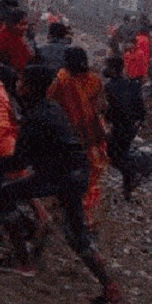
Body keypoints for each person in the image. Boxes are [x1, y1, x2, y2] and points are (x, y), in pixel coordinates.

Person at [0, 64, 129, 304]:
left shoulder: (36, 117)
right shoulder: (50, 109)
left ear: (29, 87)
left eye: (22, 82)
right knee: (76, 233)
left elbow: (19, 161)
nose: (17, 86)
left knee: (4, 195)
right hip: (73, 173)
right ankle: (111, 291)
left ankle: (24, 261)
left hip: (61, 177)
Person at [47, 46, 110, 227]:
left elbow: (51, 104)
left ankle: (61, 206)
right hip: (89, 134)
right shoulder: (94, 80)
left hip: (65, 134)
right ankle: (86, 214)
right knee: (90, 174)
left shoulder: (61, 80)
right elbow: (101, 107)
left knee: (63, 170)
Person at [103, 55, 147, 200]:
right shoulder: (132, 84)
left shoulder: (110, 87)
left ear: (113, 69)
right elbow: (141, 107)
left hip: (119, 126)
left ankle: (133, 174)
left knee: (113, 155)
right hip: (130, 127)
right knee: (122, 153)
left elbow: (109, 109)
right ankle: (128, 187)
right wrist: (139, 122)